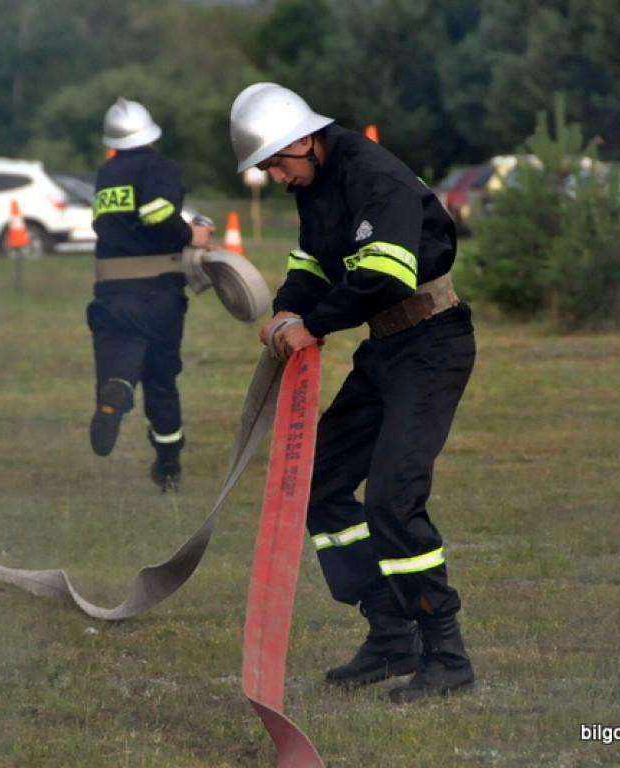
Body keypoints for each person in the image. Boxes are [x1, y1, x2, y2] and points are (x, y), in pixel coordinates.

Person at [230, 83, 476, 703]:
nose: (277, 178)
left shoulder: (374, 175)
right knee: (320, 482)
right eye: (266, 169)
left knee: (393, 500)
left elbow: (384, 274)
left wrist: (314, 324)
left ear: (304, 139)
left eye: (277, 163)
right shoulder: (315, 180)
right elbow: (316, 262)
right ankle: (390, 634)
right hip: (386, 348)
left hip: (431, 346)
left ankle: (446, 655)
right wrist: (288, 309)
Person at [88, 97, 214, 491]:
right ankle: (169, 464)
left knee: (119, 363)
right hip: (158, 292)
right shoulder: (160, 166)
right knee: (161, 381)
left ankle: (118, 391)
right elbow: (158, 214)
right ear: (151, 135)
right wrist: (190, 234)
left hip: (112, 290)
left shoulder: (107, 173)